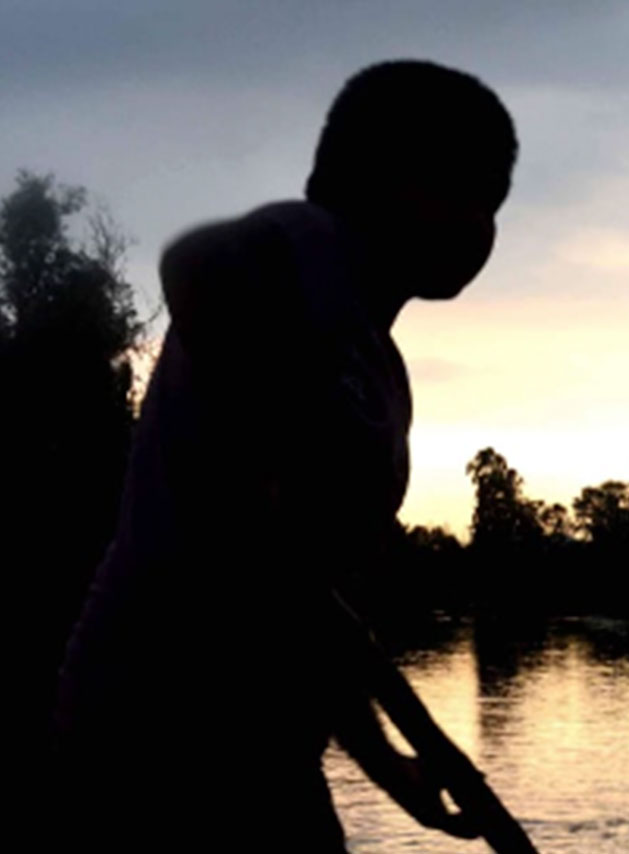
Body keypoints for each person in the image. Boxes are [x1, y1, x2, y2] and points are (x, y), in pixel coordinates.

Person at [52, 60, 517, 853]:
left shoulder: (378, 372)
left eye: (495, 203)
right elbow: (198, 261)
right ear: (380, 178)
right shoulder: (303, 247)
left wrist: (391, 768)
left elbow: (312, 608)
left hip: (264, 759)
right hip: (151, 742)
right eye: (464, 190)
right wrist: (257, 434)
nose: (482, 226)